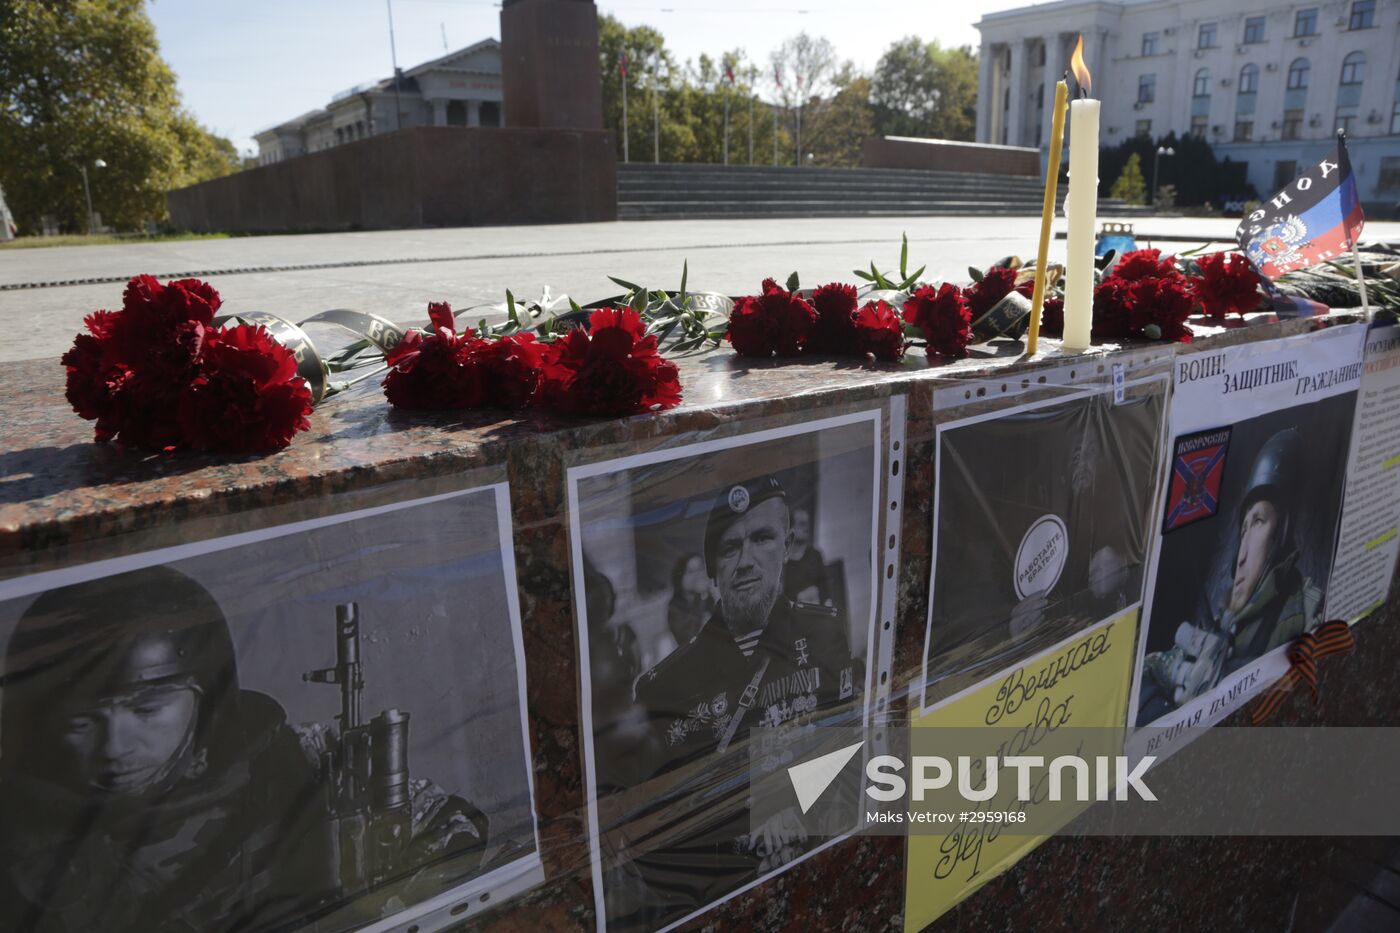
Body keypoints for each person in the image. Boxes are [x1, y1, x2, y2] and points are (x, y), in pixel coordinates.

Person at [0, 566, 488, 933]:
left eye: (147, 710)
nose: (115, 747)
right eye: (82, 721)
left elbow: (450, 826)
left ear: (206, 698)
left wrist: (406, 888)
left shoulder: (297, 760)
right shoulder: (22, 830)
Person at [605, 476, 859, 930]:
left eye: (762, 539)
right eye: (729, 548)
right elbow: (655, 838)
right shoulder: (665, 687)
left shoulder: (824, 636)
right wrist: (746, 837)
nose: (746, 561)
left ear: (788, 545)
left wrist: (795, 811)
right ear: (712, 571)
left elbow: (849, 748)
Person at [1139, 428, 1324, 722]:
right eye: (1243, 530)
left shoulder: (1311, 609)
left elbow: (1315, 691)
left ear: (1283, 534)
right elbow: (1148, 670)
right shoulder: (1225, 622)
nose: (1242, 555)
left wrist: (1227, 677)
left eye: (1259, 521)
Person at [781, 508, 831, 606]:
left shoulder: (815, 555)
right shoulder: (782, 559)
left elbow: (825, 587)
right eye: (802, 524)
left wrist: (817, 595)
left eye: (807, 524)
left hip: (814, 609)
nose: (806, 528)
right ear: (791, 529)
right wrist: (798, 598)